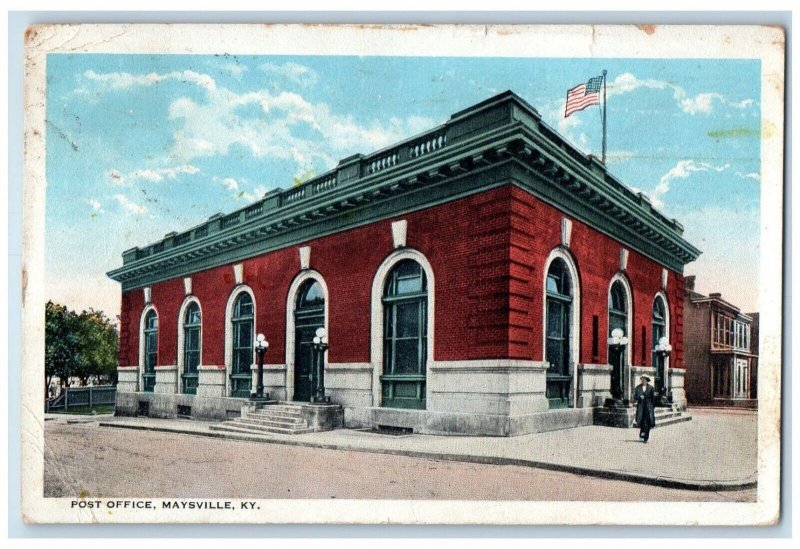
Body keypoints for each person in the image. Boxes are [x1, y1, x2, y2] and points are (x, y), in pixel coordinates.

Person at [634, 375, 656, 443]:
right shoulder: (638, 387)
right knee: (642, 421)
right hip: (641, 407)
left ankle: (646, 437)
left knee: (648, 422)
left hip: (648, 407)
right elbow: (635, 397)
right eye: (642, 379)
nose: (643, 381)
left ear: (647, 380)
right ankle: (642, 433)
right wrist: (639, 397)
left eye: (644, 380)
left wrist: (652, 407)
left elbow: (653, 399)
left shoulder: (651, 388)